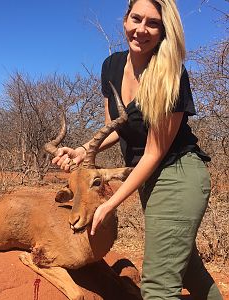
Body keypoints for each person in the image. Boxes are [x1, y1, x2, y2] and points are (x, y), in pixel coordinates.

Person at [52, 0, 223, 299]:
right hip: (149, 179)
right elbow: (114, 128)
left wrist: (109, 202)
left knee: (158, 286)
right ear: (125, 19)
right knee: (187, 269)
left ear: (163, 30)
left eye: (152, 23)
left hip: (178, 175)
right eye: (136, 18)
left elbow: (155, 153)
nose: (141, 29)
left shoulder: (171, 75)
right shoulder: (112, 66)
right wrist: (80, 151)